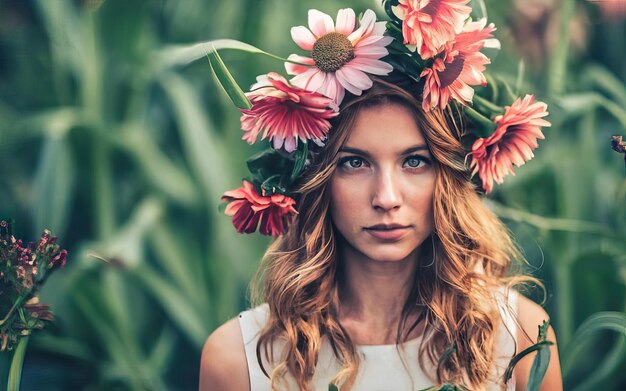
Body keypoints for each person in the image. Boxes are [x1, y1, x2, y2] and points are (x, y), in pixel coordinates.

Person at [199, 5, 562, 391]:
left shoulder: (518, 337)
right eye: (355, 162)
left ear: (448, 175)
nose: (386, 198)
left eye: (414, 161)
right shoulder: (239, 360)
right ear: (318, 180)